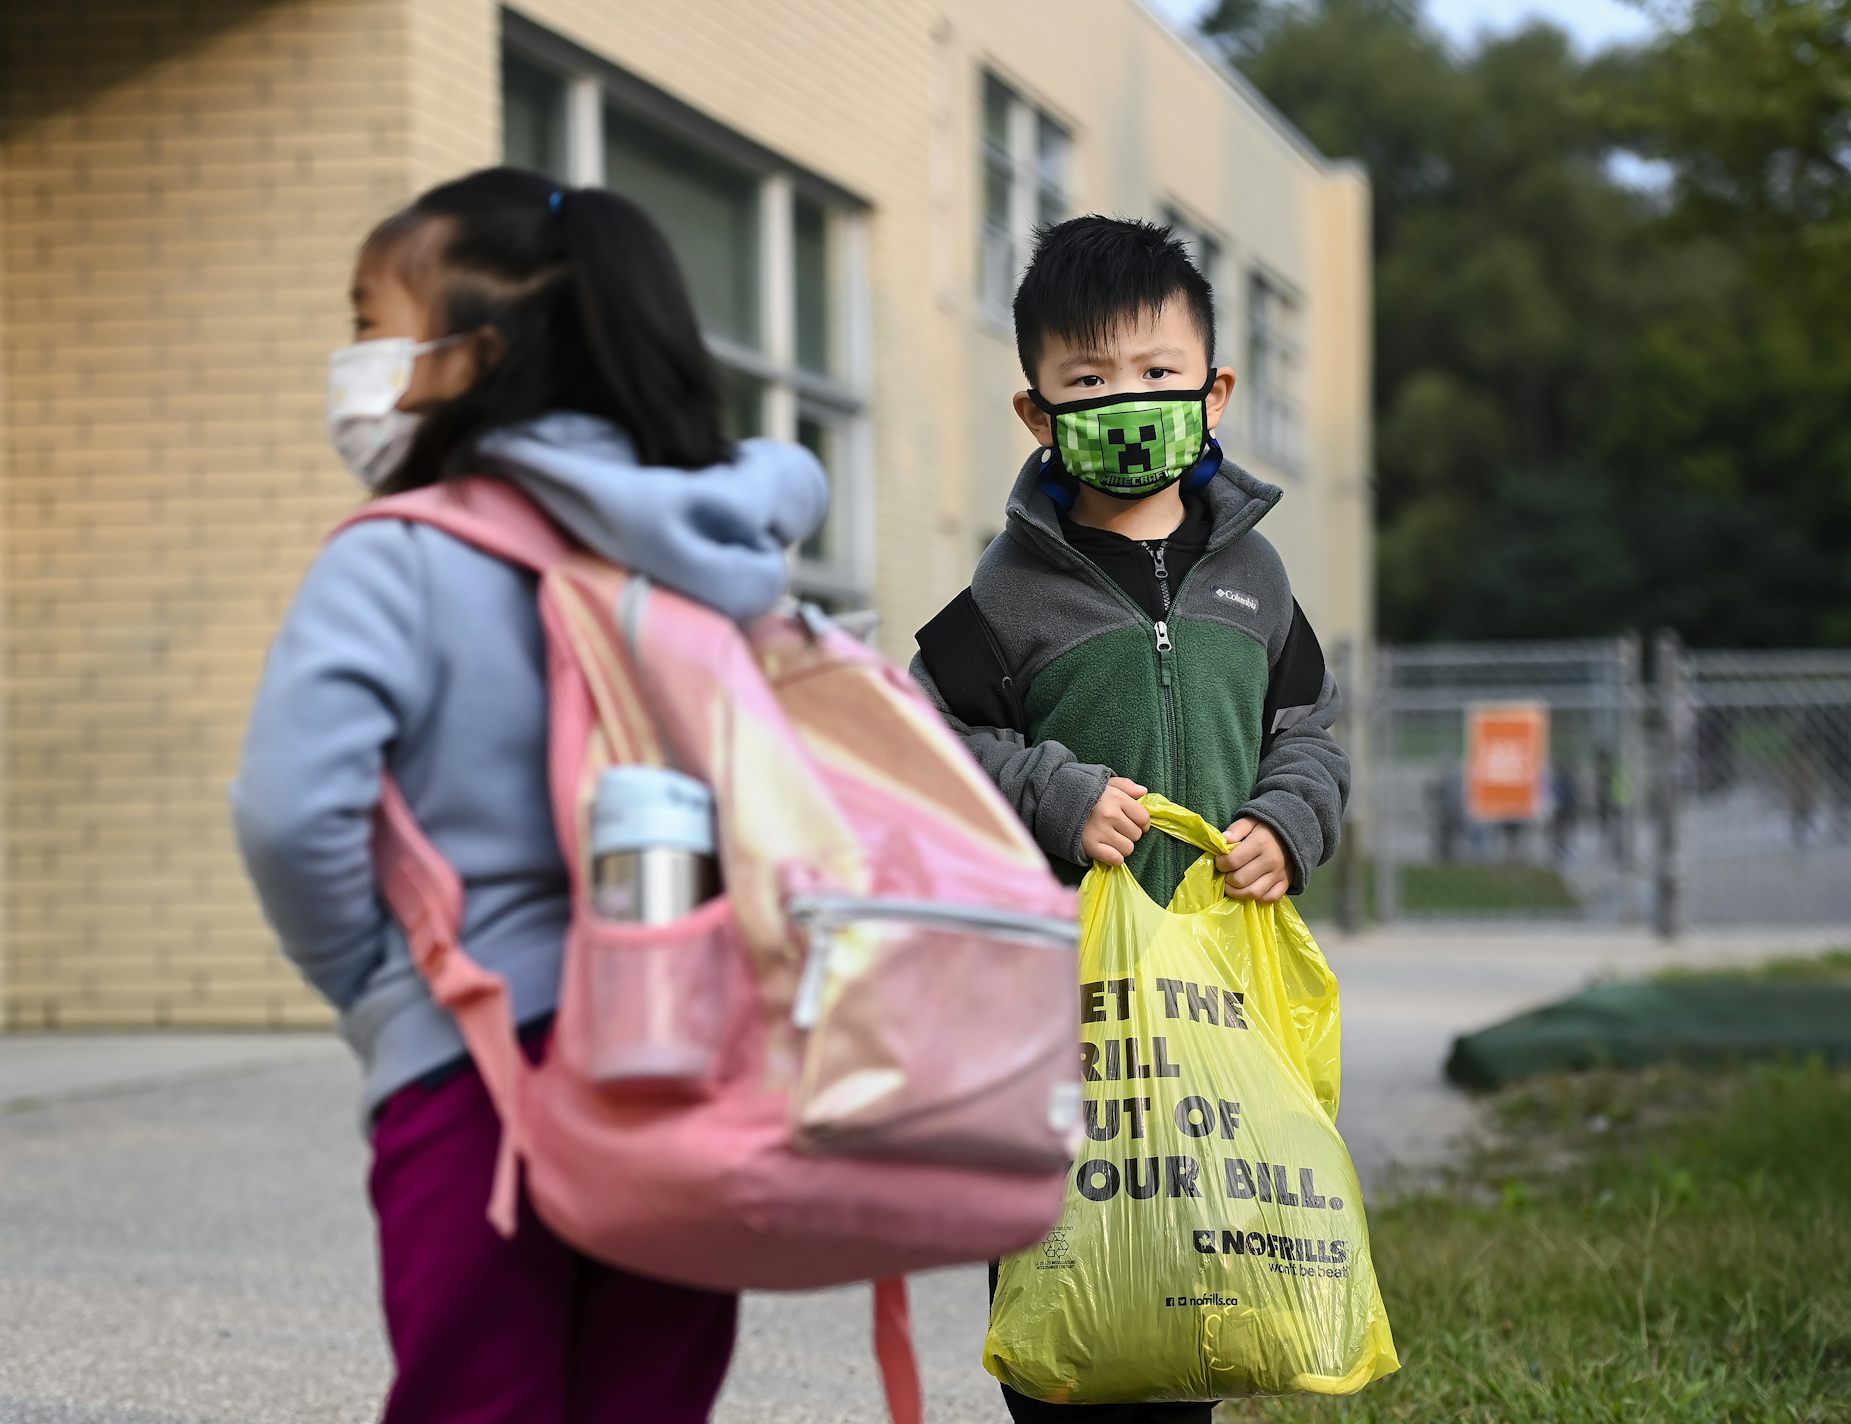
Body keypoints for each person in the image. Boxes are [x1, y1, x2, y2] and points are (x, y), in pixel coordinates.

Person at [231, 168, 828, 1424]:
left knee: (477, 1398)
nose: (351, 360)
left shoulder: (398, 555)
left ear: (468, 358)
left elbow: (293, 810)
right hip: (693, 1050)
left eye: (366, 323)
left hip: (477, 1059)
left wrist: (383, 985)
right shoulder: (719, 561)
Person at [912, 216, 1350, 1422]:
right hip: (1064, 1002)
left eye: (1157, 374)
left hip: (1215, 987)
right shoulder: (1005, 593)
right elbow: (928, 739)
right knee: (1065, 1268)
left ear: (1213, 392)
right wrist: (1051, 791)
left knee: (1196, 1273)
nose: (1128, 401)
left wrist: (1285, 820)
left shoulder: (1257, 581)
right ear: (1037, 414)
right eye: (1091, 381)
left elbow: (1308, 728)